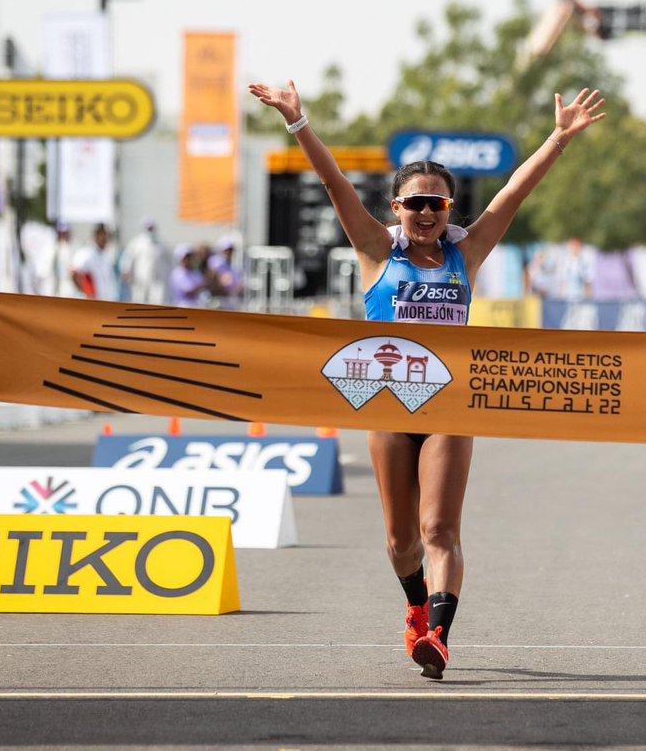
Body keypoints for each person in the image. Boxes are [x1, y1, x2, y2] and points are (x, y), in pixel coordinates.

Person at [250, 78, 605, 679]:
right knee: (400, 542)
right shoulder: (373, 250)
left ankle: (438, 635)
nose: (424, 213)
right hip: (387, 408)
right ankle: (416, 606)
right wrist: (297, 123)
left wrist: (559, 139)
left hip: (448, 408)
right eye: (413, 203)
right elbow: (335, 185)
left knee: (439, 528)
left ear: (449, 209)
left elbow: (514, 193)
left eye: (436, 203)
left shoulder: (467, 252)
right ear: (396, 209)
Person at [120, 217, 173, 305]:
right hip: (140, 280)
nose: (150, 230)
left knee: (156, 303)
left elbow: (170, 262)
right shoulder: (136, 243)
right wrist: (126, 271)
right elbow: (127, 259)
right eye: (148, 228)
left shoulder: (161, 245)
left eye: (151, 228)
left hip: (157, 281)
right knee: (139, 302)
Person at [72, 223, 120, 302]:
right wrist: (84, 291)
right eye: (102, 235)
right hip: (92, 302)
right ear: (96, 235)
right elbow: (73, 272)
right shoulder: (87, 253)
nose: (104, 238)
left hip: (106, 301)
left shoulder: (106, 256)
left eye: (106, 235)